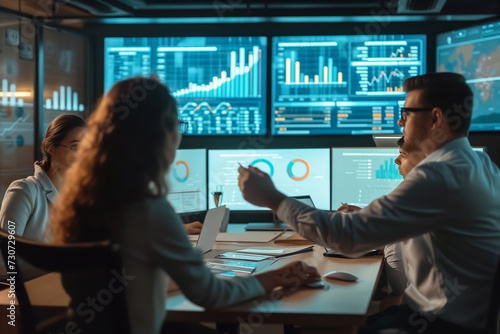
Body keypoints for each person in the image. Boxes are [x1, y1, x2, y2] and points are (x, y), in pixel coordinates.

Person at [47, 77, 321, 334]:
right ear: (159, 136)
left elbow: (123, 282)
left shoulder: (76, 203)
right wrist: (278, 277)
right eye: (176, 125)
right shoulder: (147, 210)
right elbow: (212, 294)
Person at [239, 72, 500, 333]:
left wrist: (273, 199)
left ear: (434, 118)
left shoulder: (439, 174)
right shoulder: (483, 166)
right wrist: (370, 217)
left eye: (406, 113)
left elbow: (348, 237)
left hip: (438, 325)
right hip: (448, 318)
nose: (400, 121)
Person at [339, 136, 426, 311]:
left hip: (421, 308)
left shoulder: (412, 198)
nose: (396, 161)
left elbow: (401, 286)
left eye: (402, 154)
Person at [0, 114, 85, 240]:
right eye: (75, 147)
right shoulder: (24, 191)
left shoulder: (81, 198)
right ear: (50, 148)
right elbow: (7, 251)